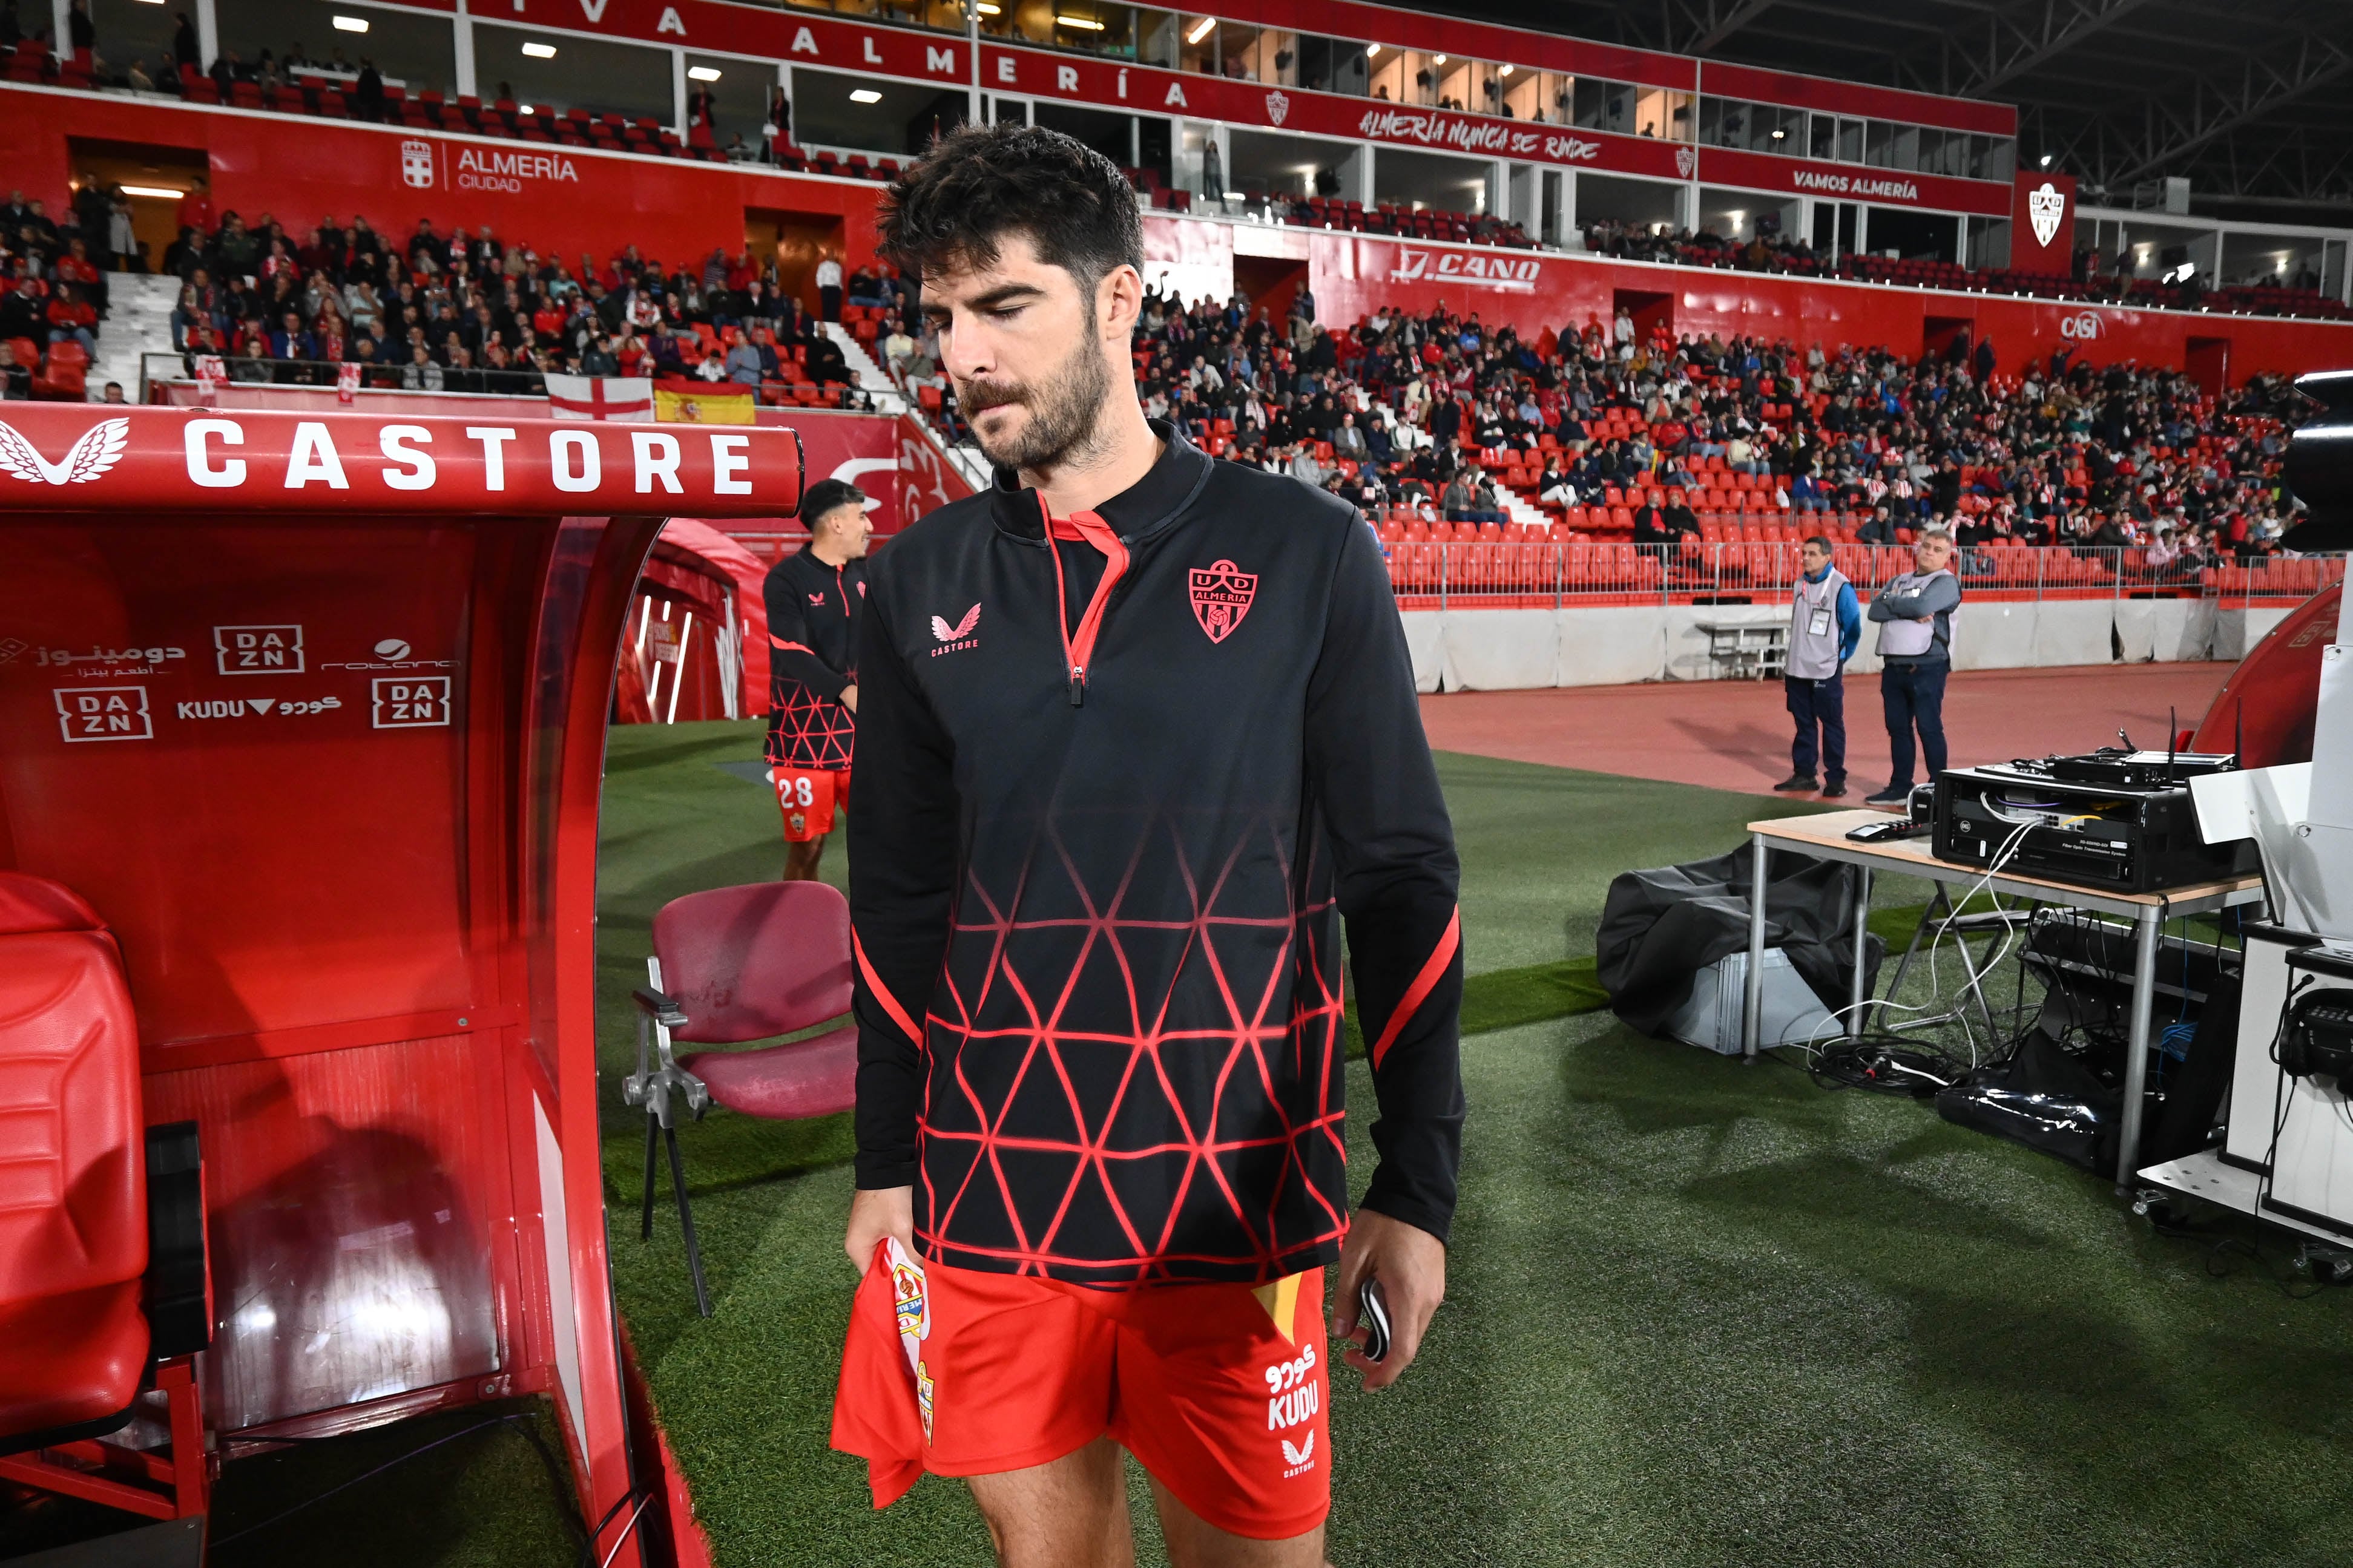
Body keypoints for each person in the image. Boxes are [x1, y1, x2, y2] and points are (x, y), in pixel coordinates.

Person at [832, 123, 1462, 1566]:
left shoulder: (1306, 551)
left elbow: (1400, 880)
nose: (964, 356)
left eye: (1005, 306)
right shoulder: (915, 581)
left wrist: (1415, 1189)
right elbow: (897, 901)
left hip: (1233, 1208)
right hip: (988, 1198)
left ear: (1118, 301)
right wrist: (885, 1163)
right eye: (939, 319)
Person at [763, 477, 870, 881]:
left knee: (882, 843)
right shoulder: (786, 579)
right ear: (837, 523)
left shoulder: (869, 574)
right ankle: (798, 935)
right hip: (802, 741)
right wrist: (846, 691)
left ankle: (875, 934)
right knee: (807, 850)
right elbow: (790, 652)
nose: (869, 526)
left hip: (864, 737)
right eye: (861, 516)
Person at [1864, 528, 1961, 807]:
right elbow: (1875, 611)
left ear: (1948, 555)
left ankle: (1938, 788)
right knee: (1897, 728)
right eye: (1927, 546)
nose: (1930, 552)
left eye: (1938, 549)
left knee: (1929, 727)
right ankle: (1899, 785)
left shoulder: (1946, 582)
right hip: (1893, 665)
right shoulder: (1900, 580)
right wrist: (1908, 606)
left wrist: (1896, 605)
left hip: (1927, 665)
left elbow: (1924, 606)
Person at [1774, 535, 1860, 798]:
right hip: (1798, 669)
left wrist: (1840, 658)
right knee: (1804, 723)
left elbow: (1853, 627)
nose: (1805, 558)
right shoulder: (1799, 584)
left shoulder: (1841, 587)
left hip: (1826, 668)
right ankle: (1804, 774)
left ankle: (1835, 779)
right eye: (1804, 553)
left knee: (1832, 723)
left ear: (1827, 557)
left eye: (1812, 554)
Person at [815, 249, 843, 323]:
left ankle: (835, 322)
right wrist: (822, 287)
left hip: (836, 288)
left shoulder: (838, 266)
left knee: (835, 307)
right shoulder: (822, 265)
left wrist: (840, 288)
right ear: (827, 255)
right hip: (826, 287)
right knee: (827, 307)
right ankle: (827, 323)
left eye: (832, 254)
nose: (831, 255)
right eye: (829, 254)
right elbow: (819, 276)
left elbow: (839, 278)